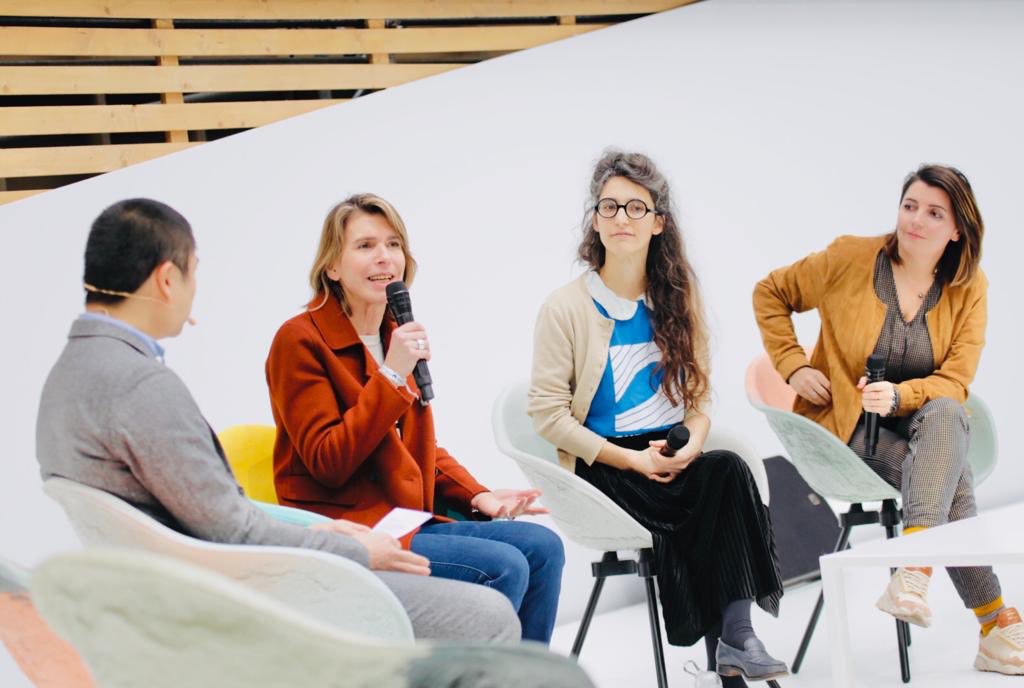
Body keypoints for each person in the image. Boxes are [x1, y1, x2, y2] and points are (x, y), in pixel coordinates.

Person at [36, 198, 521, 643]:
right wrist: (350, 547)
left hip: (188, 588)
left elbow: (217, 515)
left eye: (393, 245)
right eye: (194, 272)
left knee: (530, 552)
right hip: (247, 591)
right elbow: (232, 530)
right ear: (168, 280)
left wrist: (323, 531)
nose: (195, 290)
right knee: (493, 613)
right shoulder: (142, 386)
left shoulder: (70, 376)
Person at [753, 164, 1024, 675]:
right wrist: (793, 366)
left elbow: (955, 381)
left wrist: (900, 396)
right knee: (950, 483)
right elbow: (770, 292)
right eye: (910, 206)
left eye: (935, 213)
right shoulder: (850, 258)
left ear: (958, 229)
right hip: (848, 429)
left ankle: (914, 570)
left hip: (926, 423)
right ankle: (993, 622)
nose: (916, 220)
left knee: (946, 413)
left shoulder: (969, 287)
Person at [529, 151, 786, 684]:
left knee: (728, 470)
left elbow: (698, 400)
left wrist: (691, 444)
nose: (621, 218)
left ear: (658, 222)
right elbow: (548, 416)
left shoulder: (678, 299)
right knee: (709, 506)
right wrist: (633, 461)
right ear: (595, 219)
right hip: (607, 465)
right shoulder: (566, 307)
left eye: (636, 207)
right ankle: (733, 650)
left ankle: (738, 638)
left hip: (668, 450)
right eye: (609, 206)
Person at [265, 193, 565, 644]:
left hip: (405, 519)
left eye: (394, 244)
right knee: (502, 566)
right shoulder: (300, 340)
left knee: (543, 547)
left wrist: (478, 495)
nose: (384, 257)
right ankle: (478, 674)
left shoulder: (395, 334)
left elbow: (418, 449)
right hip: (351, 528)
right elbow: (328, 461)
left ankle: (528, 674)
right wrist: (391, 375)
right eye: (365, 246)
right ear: (332, 266)